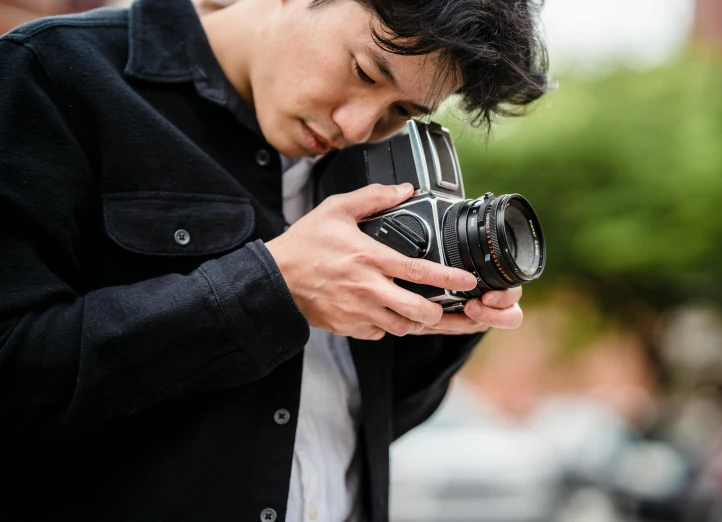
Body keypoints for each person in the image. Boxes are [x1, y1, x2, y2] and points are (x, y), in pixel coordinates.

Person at [0, 0, 548, 520]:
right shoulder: (52, 74)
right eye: (363, 71)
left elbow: (353, 422)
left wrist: (443, 321)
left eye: (402, 110)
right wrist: (272, 287)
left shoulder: (385, 168)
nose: (356, 128)